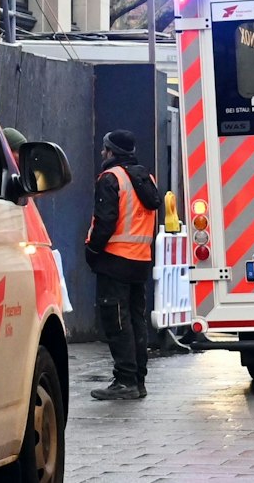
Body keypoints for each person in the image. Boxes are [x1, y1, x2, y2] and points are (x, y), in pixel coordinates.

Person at [86, 129, 159, 401]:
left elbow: (105, 221)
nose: (103, 153)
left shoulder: (111, 178)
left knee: (117, 321)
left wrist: (92, 250)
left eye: (105, 149)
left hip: (114, 260)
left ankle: (125, 380)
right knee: (135, 320)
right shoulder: (145, 178)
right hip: (140, 260)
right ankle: (138, 380)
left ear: (112, 151)